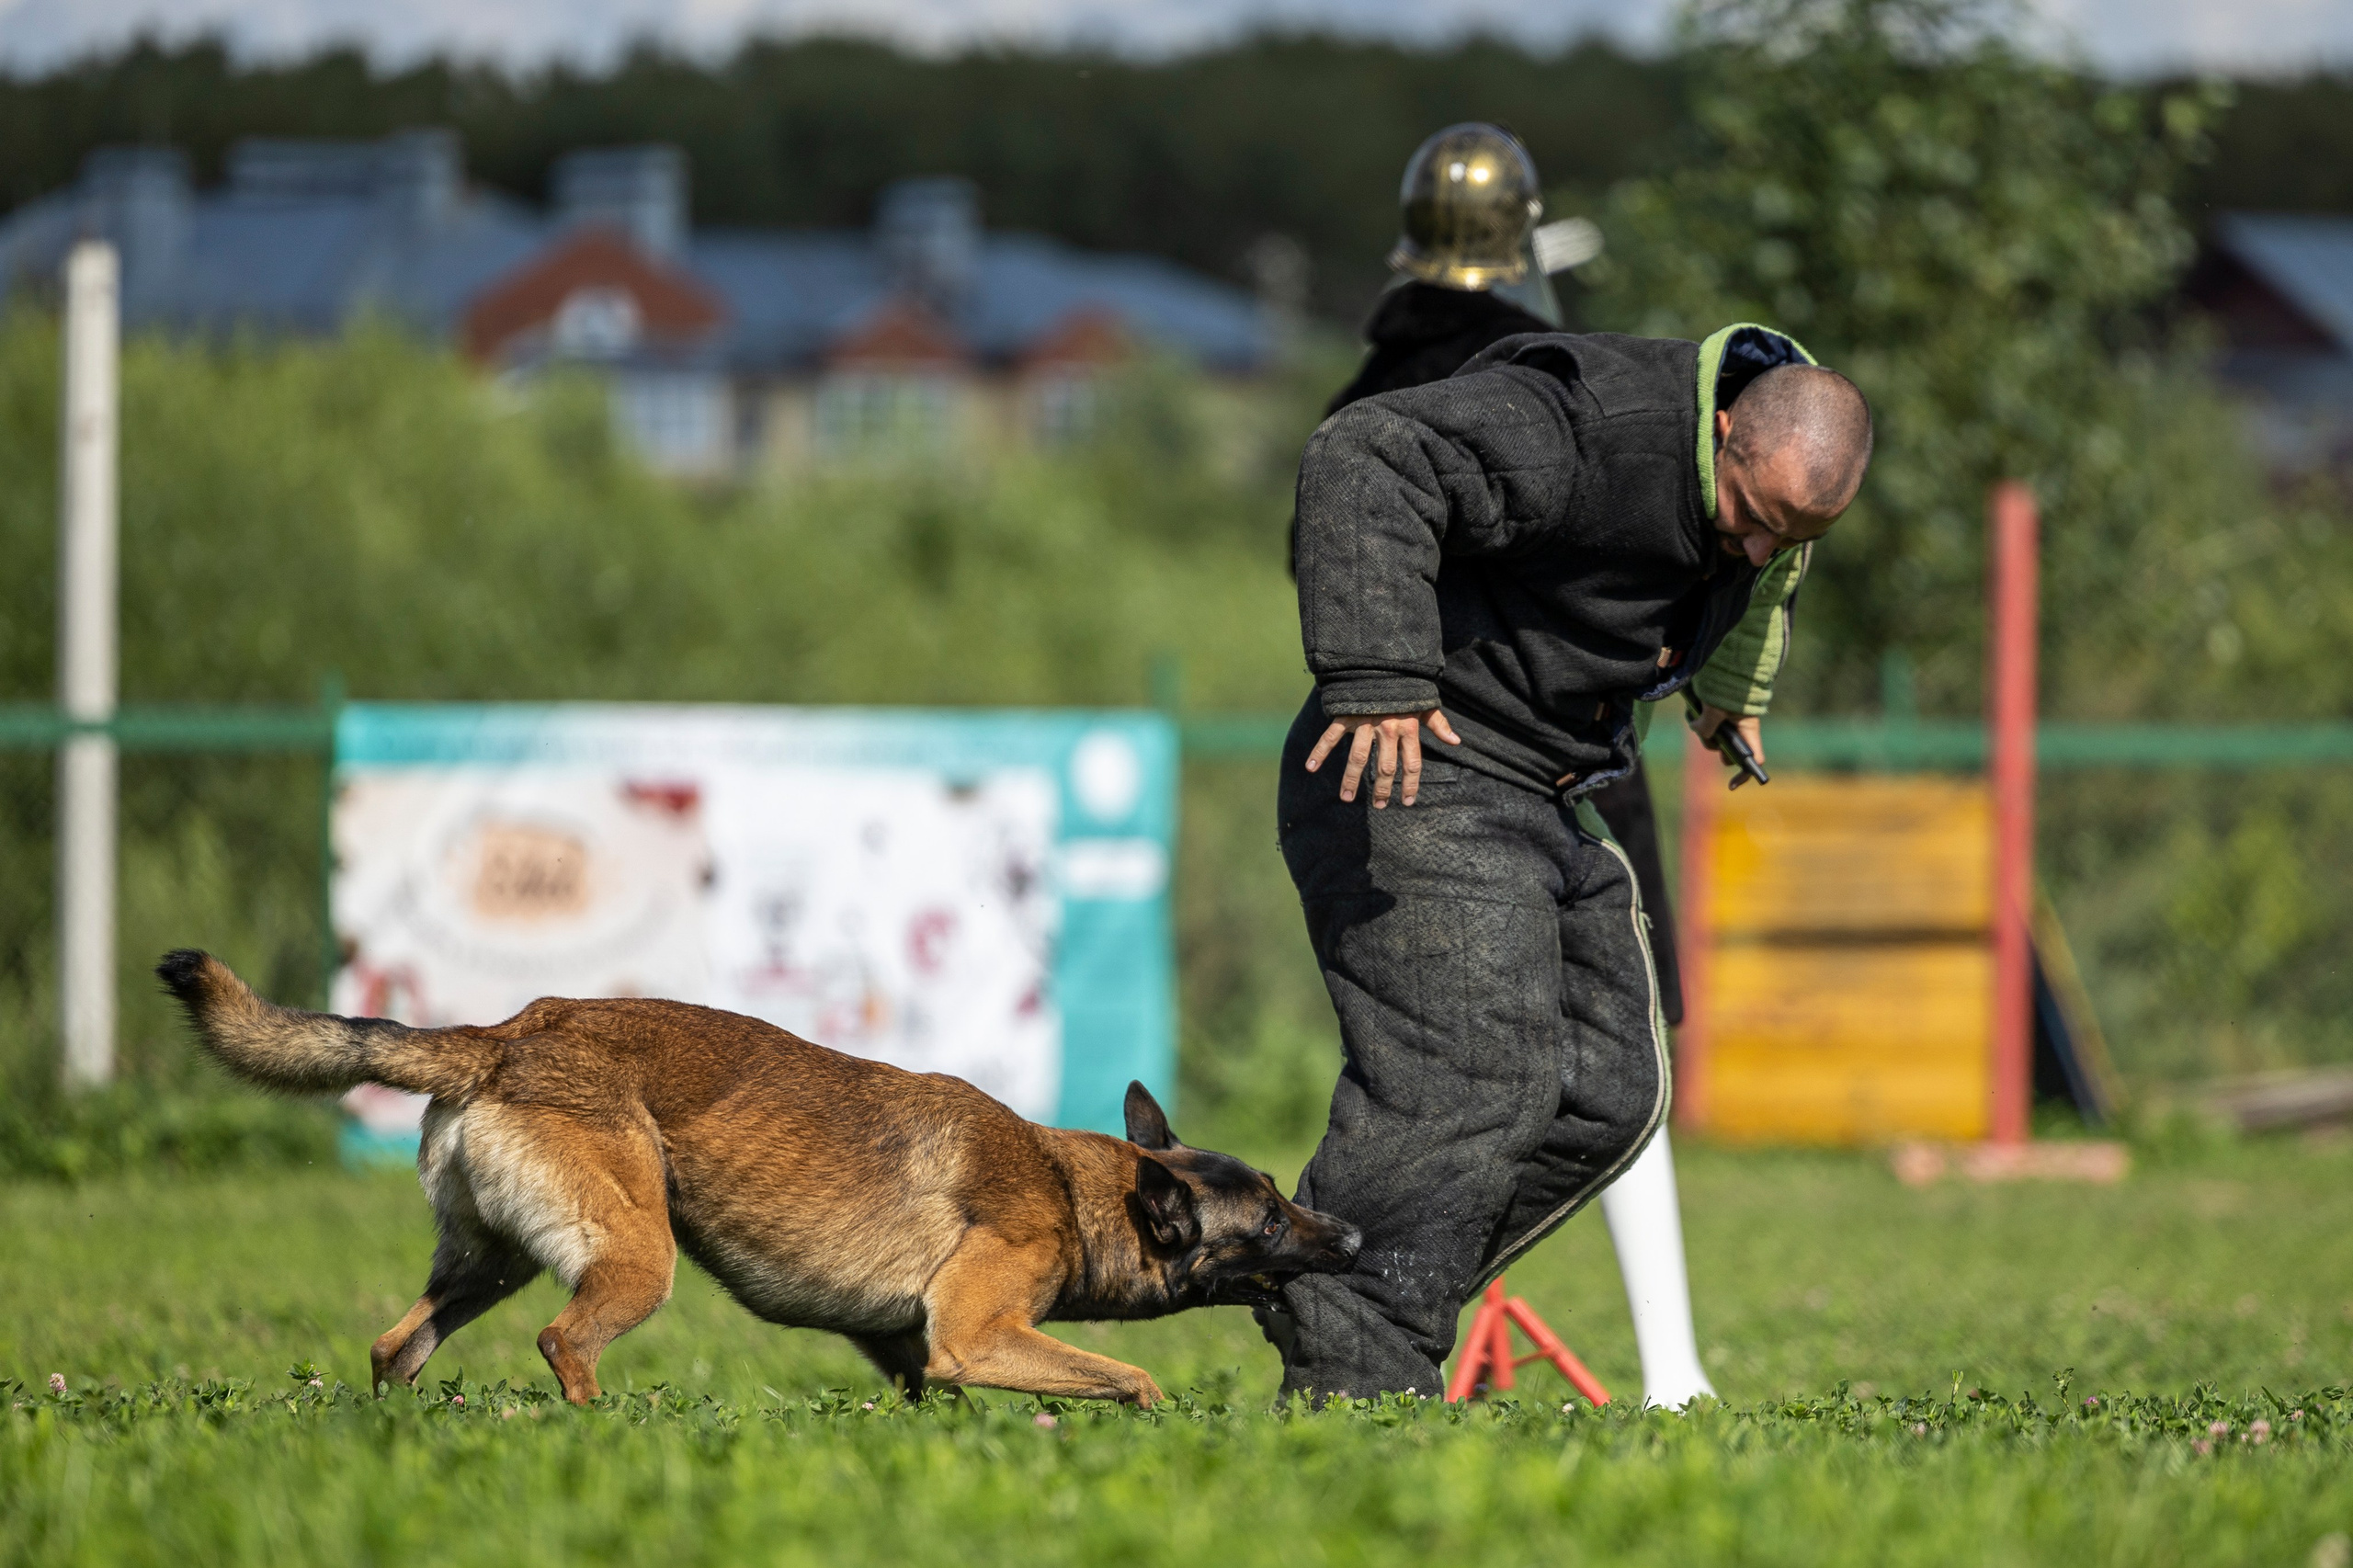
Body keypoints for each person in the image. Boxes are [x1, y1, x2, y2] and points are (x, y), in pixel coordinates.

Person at [1268, 125, 1873, 1402]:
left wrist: (1727, 691)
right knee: (1471, 1075)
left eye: (1793, 536)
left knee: (1611, 1087)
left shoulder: (1772, 484)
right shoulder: (1579, 424)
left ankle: (1353, 1284)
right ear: (1719, 432)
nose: (1760, 552)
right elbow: (1360, 455)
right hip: (1424, 762)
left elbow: (1770, 570)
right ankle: (1352, 1374)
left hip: (1552, 782)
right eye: (1751, 518)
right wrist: (1379, 670)